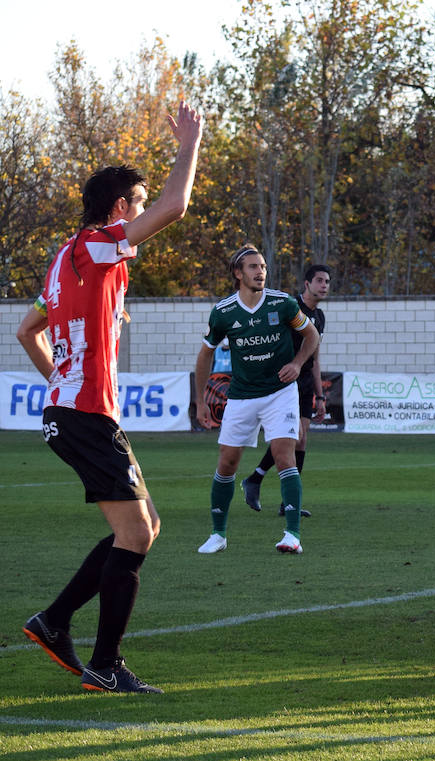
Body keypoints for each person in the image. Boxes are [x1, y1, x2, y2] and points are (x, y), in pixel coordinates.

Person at [15, 102, 203, 693]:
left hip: (73, 411)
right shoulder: (98, 245)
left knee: (142, 525)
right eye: (137, 205)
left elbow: (28, 330)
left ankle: (56, 623)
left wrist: (59, 384)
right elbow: (176, 206)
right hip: (84, 413)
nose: (143, 215)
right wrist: (189, 144)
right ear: (120, 209)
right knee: (137, 533)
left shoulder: (62, 260)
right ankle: (103, 662)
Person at [194, 246, 320, 555]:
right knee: (228, 461)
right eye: (252, 267)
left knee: (284, 455)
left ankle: (292, 535)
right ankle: (218, 535)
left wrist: (297, 363)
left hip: (280, 393)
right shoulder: (223, 312)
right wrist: (199, 402)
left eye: (262, 266)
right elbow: (205, 355)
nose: (260, 271)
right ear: (238, 273)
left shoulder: (283, 303)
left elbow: (312, 335)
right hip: (242, 395)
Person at [242, 263, 332, 517]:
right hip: (284, 380)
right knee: (293, 437)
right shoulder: (290, 309)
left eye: (327, 282)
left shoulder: (320, 316)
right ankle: (262, 484)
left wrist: (320, 394)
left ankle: (282, 498)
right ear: (307, 284)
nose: (324, 286)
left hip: (304, 384)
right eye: (320, 281)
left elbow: (314, 357)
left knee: (301, 440)